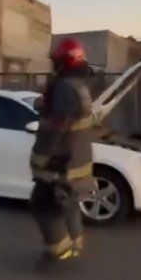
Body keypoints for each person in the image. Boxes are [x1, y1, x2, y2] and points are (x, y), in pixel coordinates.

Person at [29, 38, 97, 265]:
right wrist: (45, 104)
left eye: (56, 61)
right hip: (77, 159)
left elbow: (57, 126)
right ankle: (76, 242)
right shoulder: (80, 86)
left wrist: (42, 157)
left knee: (43, 204)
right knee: (68, 202)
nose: (53, 65)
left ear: (64, 62)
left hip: (61, 161)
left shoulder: (64, 87)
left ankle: (60, 251)